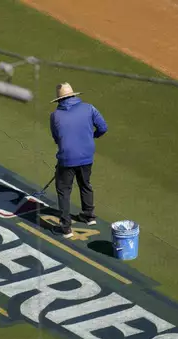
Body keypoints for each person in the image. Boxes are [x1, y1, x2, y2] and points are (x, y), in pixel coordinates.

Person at [49, 82, 108, 238]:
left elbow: (57, 138)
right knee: (85, 184)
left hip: (66, 158)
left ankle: (66, 227)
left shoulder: (55, 115)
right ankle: (89, 216)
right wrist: (91, 137)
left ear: (59, 100)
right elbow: (103, 127)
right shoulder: (89, 108)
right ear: (74, 95)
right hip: (86, 155)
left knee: (63, 191)